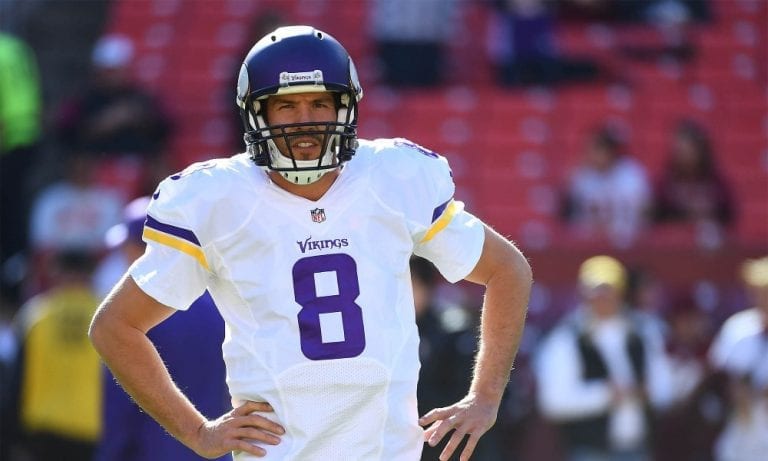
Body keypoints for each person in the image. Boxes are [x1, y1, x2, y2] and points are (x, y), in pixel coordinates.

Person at [88, 25, 532, 461]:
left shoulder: (392, 177)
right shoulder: (217, 199)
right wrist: (198, 432)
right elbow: (115, 327)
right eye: (286, 106)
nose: (305, 122)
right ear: (256, 113)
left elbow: (508, 269)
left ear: (346, 108)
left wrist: (485, 396)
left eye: (320, 103)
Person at [93, 197, 229, 461]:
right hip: (219, 452)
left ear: (146, 248)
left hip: (151, 452)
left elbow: (119, 412)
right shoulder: (217, 304)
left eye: (127, 247)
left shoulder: (127, 317)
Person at [535, 255, 674, 461]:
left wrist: (647, 392)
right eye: (596, 291)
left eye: (609, 290)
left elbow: (665, 388)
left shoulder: (644, 330)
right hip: (589, 452)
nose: (602, 298)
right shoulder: (566, 338)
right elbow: (553, 402)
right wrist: (605, 395)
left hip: (639, 448)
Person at [13, 249, 103, 460]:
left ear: (57, 273)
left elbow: (17, 380)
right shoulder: (107, 318)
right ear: (90, 274)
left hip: (43, 429)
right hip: (90, 427)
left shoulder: (35, 315)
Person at [708, 256, 768, 461]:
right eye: (759, 289)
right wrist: (735, 391)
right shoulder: (737, 328)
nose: (763, 296)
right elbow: (716, 378)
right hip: (741, 436)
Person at [560, 125, 651, 248]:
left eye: (599, 149)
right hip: (589, 243)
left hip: (628, 241)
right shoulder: (582, 177)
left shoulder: (632, 175)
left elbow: (645, 213)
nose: (592, 155)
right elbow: (571, 216)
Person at [652, 119, 734, 247]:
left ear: (700, 150)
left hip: (712, 247)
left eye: (687, 148)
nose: (682, 153)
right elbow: (655, 220)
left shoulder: (717, 182)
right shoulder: (665, 182)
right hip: (673, 247)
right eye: (678, 148)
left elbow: (729, 217)